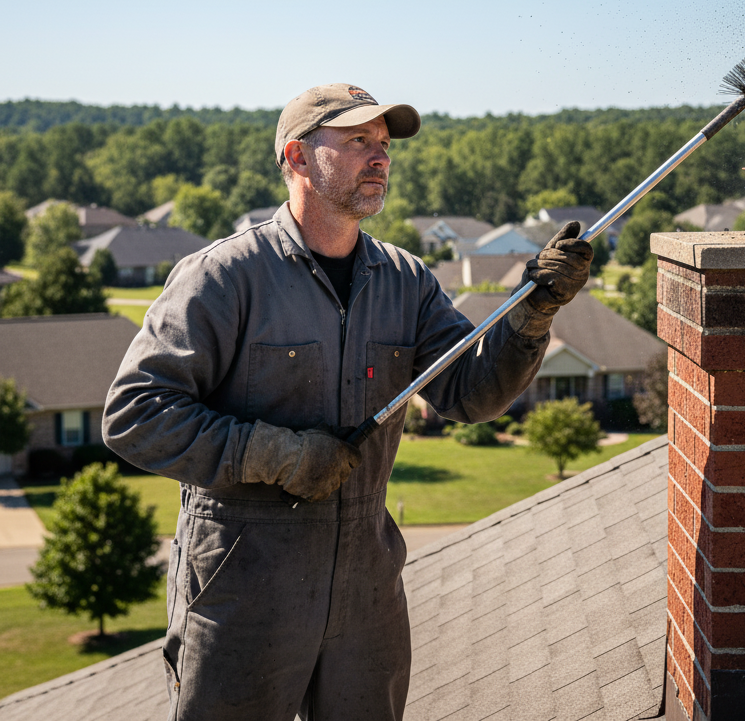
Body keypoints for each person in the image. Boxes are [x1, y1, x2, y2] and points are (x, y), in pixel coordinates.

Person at [102, 83, 593, 721]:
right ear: (297, 156)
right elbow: (135, 414)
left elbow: (470, 394)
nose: (380, 156)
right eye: (358, 140)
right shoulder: (224, 276)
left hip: (367, 586)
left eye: (384, 144)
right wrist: (277, 455)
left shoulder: (406, 281)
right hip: (242, 585)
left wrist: (533, 313)